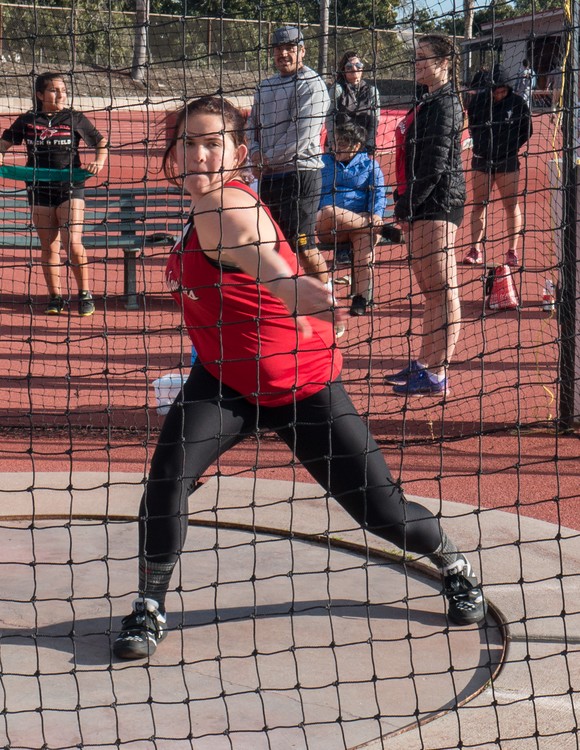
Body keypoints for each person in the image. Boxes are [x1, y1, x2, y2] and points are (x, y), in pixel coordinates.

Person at [111, 96, 487, 660]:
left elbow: (267, 264)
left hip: (300, 386)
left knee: (380, 511)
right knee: (166, 481)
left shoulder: (225, 210)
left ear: (237, 153)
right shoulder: (200, 210)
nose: (199, 153)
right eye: (189, 141)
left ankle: (451, 561)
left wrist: (297, 292)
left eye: (213, 142)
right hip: (226, 383)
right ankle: (149, 607)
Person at [383, 34, 466, 397]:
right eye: (414, 57)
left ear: (445, 62)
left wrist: (406, 206)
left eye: (423, 57)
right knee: (432, 292)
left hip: (437, 203)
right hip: (422, 203)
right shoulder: (428, 99)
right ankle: (425, 363)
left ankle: (438, 371)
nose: (416, 63)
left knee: (443, 288)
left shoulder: (445, 104)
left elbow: (433, 168)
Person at [0, 72, 107, 316]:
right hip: (39, 188)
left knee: (73, 242)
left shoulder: (74, 118)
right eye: (53, 90)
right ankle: (55, 297)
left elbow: (101, 143)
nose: (60, 94)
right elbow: (4, 142)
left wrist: (98, 162)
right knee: (49, 247)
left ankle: (84, 294)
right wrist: (1, 153)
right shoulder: (28, 120)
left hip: (70, 186)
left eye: (63, 90)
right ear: (40, 94)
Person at [248, 25, 330, 282]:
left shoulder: (312, 85)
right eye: (278, 48)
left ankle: (329, 308)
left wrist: (265, 158)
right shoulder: (265, 86)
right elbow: (252, 125)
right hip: (269, 177)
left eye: (290, 48)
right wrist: (254, 152)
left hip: (300, 175)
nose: (283, 53)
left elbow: (301, 136)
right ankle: (286, 309)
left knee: (303, 245)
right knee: (270, 247)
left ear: (302, 51)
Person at [463, 63, 532, 268]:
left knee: (511, 206)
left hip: (508, 161)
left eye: (503, 90)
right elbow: (472, 125)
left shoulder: (518, 103)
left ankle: (512, 250)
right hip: (482, 160)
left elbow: (526, 131)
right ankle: (475, 249)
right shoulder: (479, 101)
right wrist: (482, 145)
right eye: (496, 90)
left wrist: (510, 148)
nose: (500, 94)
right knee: (478, 205)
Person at [317, 121, 386, 316]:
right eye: (336, 142)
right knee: (330, 210)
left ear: (356, 146)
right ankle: (375, 227)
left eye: (343, 143)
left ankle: (360, 298)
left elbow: (379, 194)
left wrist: (376, 214)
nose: (337, 147)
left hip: (357, 229)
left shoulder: (370, 166)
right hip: (328, 226)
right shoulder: (323, 163)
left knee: (364, 241)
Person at [326, 49, 381, 153]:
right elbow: (329, 118)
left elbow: (375, 120)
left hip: (362, 146)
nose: (354, 69)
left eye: (358, 65)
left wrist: (370, 143)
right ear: (343, 70)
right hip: (339, 146)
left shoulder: (372, 91)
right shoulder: (337, 89)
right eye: (349, 67)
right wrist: (332, 143)